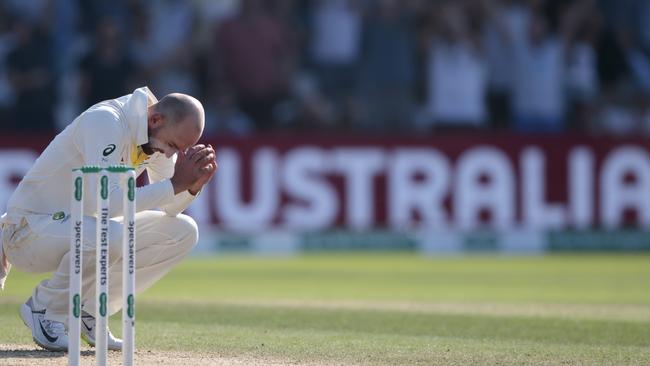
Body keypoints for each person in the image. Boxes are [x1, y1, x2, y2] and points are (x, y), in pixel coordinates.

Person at [0, 86, 217, 351]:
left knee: (183, 231)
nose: (170, 154)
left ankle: (88, 311)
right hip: (28, 232)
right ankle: (44, 310)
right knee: (110, 234)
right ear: (155, 119)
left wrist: (191, 186)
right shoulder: (106, 121)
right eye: (172, 146)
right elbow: (109, 204)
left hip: (83, 231)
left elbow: (170, 209)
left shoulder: (155, 138)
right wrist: (175, 184)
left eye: (177, 150)